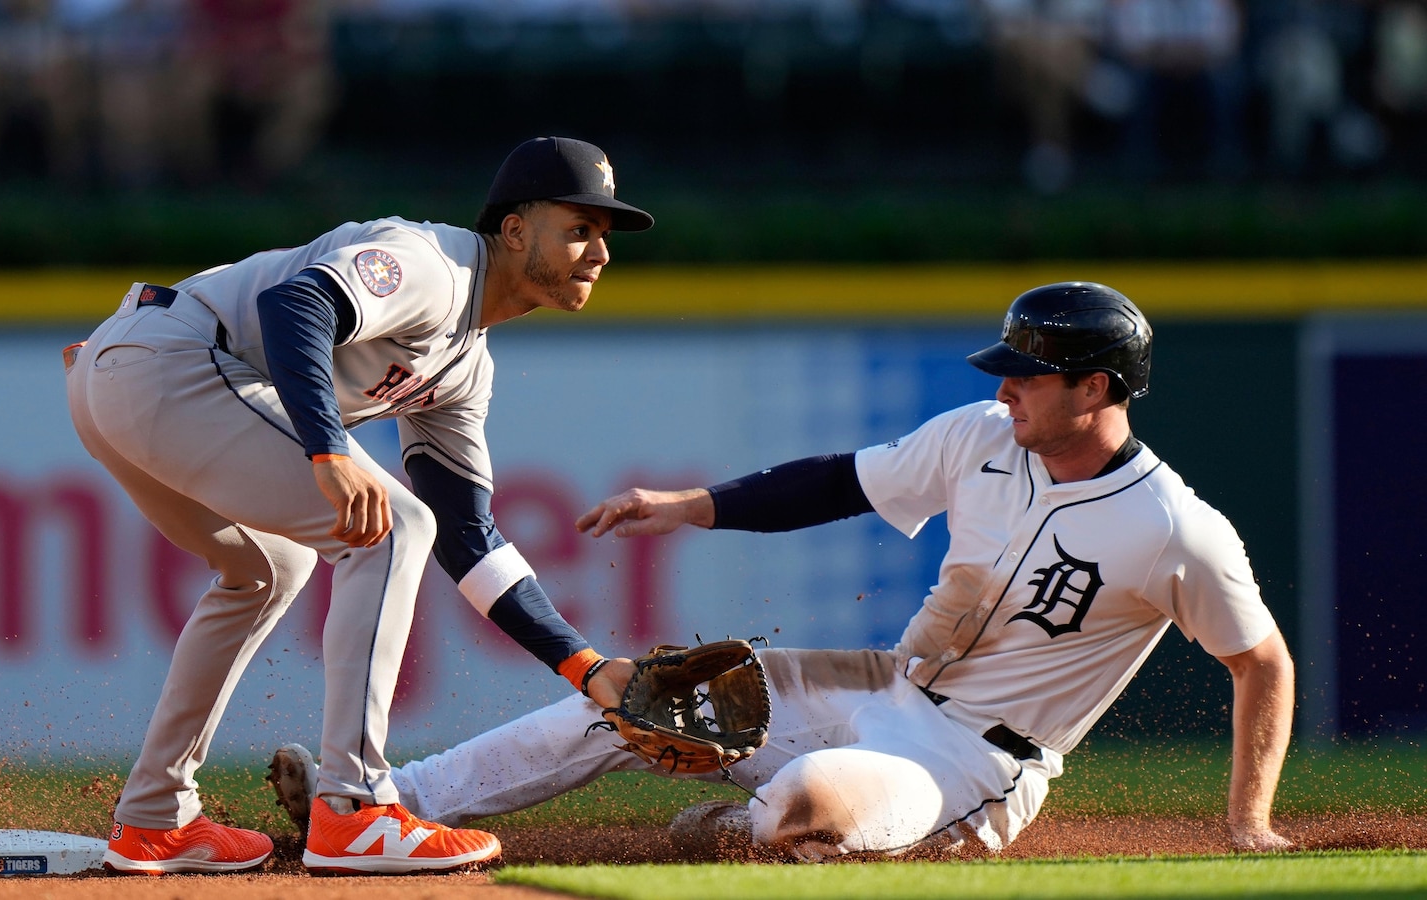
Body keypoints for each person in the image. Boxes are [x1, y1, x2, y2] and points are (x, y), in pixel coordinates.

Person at [272, 281, 1296, 861]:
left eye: (1028, 372)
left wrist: (1247, 820)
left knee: (806, 805)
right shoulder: (982, 436)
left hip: (974, 761)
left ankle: (749, 828)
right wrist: (685, 507)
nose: (1007, 388)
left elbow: (1262, 663)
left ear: (1097, 387)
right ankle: (373, 799)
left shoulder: (1174, 530)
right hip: (879, 682)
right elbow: (832, 483)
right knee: (636, 696)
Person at [63, 136, 648, 875]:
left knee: (271, 570)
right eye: (578, 228)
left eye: (601, 235)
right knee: (393, 529)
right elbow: (296, 303)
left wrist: (586, 669)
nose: (597, 251)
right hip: (169, 362)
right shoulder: (435, 266)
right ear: (513, 230)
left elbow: (471, 537)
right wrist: (331, 452)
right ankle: (355, 808)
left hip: (133, 372)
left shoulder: (465, 365)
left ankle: (155, 817)